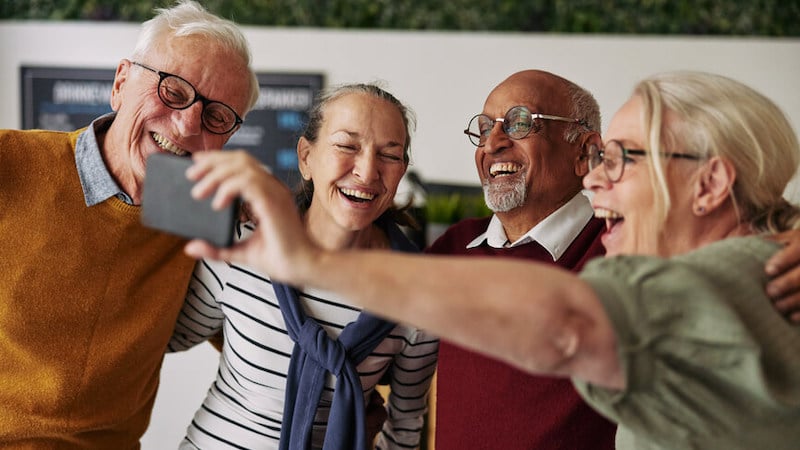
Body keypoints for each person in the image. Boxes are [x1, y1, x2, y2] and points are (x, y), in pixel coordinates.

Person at [183, 70, 800, 449]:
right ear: (307, 154)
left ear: (712, 182)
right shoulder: (453, 251)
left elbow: (566, 325)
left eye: (621, 158)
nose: (600, 181)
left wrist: (304, 260)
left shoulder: (737, 274)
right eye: (484, 126)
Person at [0, 1, 259, 447]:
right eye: (173, 90)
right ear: (121, 82)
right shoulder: (10, 163)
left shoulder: (206, 217)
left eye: (217, 116)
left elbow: (258, 332)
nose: (187, 123)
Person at [169, 83, 438, 450]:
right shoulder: (240, 247)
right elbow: (163, 339)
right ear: (306, 157)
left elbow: (405, 425)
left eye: (389, 155)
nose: (367, 170)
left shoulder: (418, 296)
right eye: (347, 146)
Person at [427, 69, 616, 449]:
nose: (492, 143)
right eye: (484, 128)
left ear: (585, 152)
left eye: (519, 123)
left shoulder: (621, 247)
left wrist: (774, 238)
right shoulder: (454, 247)